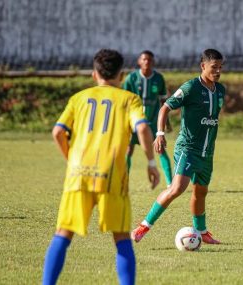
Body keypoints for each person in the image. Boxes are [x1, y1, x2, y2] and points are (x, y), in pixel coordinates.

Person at [42, 49, 160, 285]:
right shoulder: (129, 99)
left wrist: (72, 160)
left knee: (63, 234)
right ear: (122, 74)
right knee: (121, 238)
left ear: (94, 74)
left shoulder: (79, 98)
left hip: (78, 175)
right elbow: (143, 128)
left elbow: (57, 132)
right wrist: (150, 163)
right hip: (112, 176)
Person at [131, 49, 226, 245]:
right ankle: (143, 226)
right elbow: (165, 107)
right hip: (188, 149)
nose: (217, 71)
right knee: (176, 189)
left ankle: (202, 231)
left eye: (220, 68)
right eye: (213, 67)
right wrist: (159, 133)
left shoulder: (220, 90)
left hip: (207, 153)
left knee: (200, 192)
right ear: (203, 66)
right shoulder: (191, 87)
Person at [123, 50, 173, 187]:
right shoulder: (131, 79)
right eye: (144, 59)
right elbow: (124, 102)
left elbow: (164, 103)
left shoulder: (158, 78)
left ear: (153, 62)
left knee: (160, 148)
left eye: (149, 60)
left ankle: (170, 183)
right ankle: (124, 182)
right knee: (128, 149)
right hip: (134, 122)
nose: (147, 62)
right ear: (139, 61)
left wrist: (165, 122)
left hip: (152, 121)